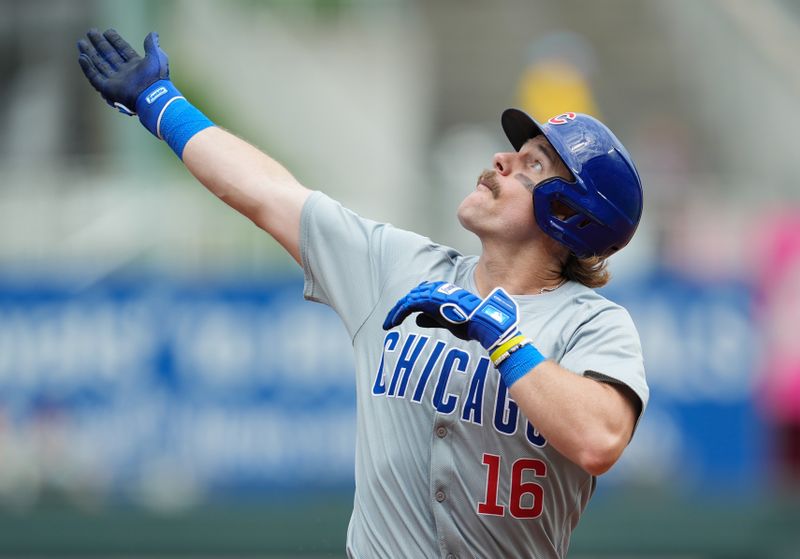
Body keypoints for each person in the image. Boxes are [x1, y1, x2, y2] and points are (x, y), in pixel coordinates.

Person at [77, 28, 648, 559]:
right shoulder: (399, 267)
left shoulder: (590, 324)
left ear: (569, 213)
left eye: (530, 165)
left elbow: (598, 440)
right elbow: (268, 194)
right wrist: (157, 102)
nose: (499, 160)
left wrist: (501, 336)